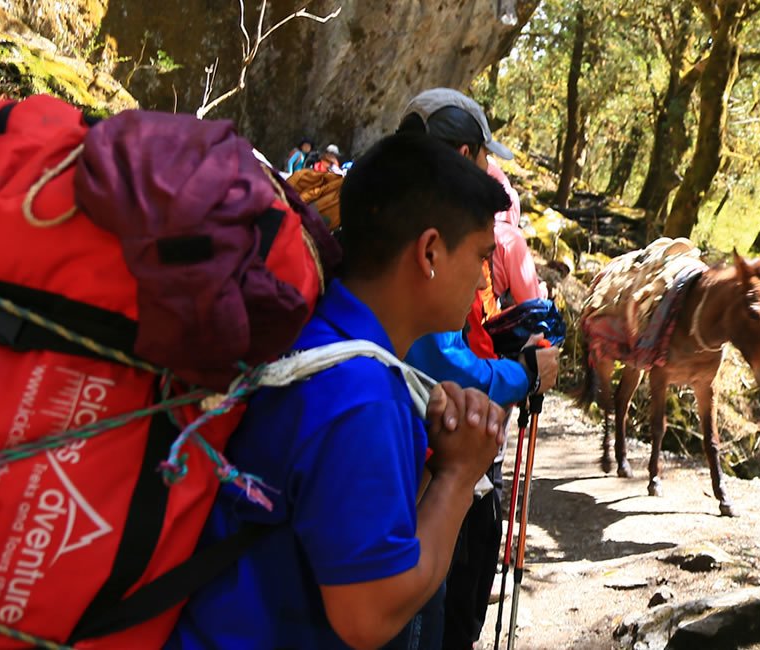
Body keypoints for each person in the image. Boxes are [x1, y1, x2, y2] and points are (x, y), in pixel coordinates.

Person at [168, 134, 514, 650]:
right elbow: (370, 616)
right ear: (430, 252)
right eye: (481, 256)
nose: (485, 277)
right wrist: (459, 476)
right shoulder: (362, 398)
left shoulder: (319, 334)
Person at [394, 87, 558, 650]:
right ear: (465, 158)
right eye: (485, 157)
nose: (491, 171)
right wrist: (524, 372)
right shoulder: (431, 240)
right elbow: (441, 357)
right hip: (427, 468)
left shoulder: (383, 215)